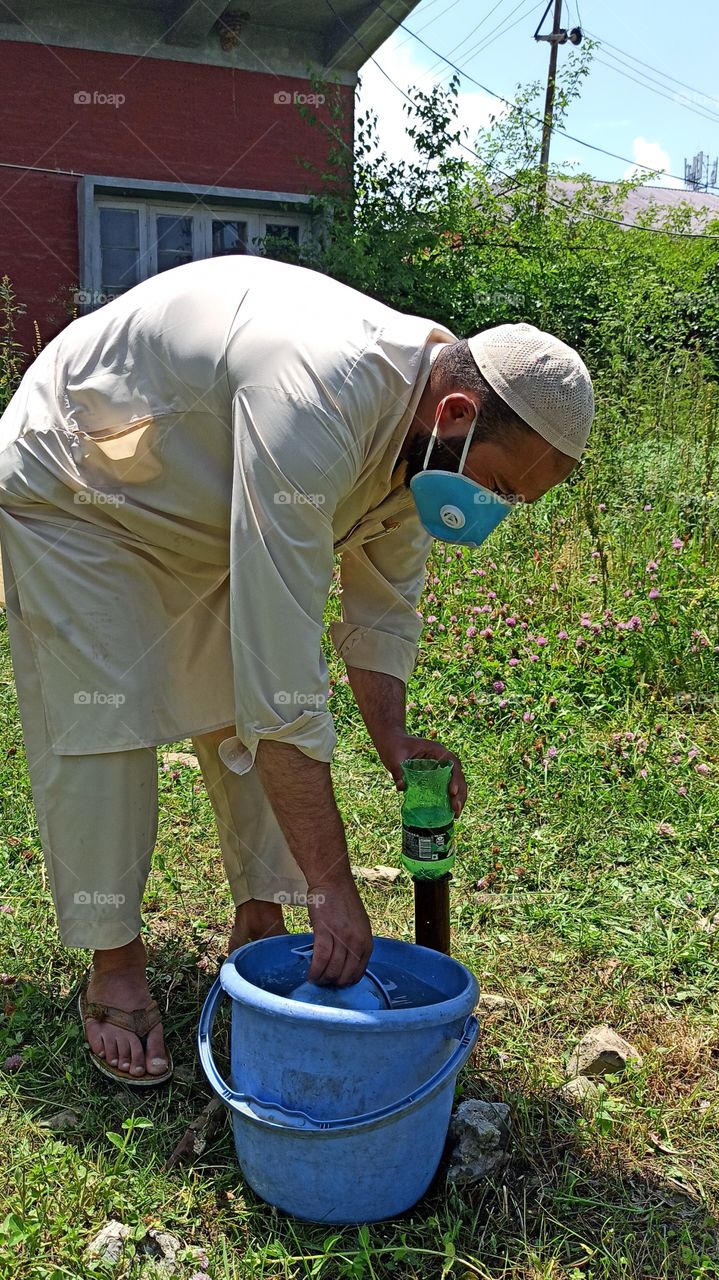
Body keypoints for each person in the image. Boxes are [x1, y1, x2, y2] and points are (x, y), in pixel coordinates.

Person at [0, 256, 594, 1084]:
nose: (489, 514)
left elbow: (382, 601)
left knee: (244, 699)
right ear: (456, 411)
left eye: (512, 503)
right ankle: (116, 964)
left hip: (201, 502)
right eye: (496, 484)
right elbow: (282, 688)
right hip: (82, 487)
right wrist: (334, 882)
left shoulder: (424, 439)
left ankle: (261, 924)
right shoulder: (315, 400)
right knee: (103, 721)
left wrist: (390, 732)